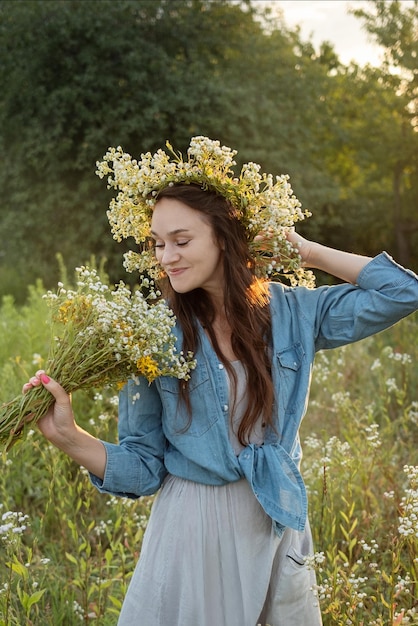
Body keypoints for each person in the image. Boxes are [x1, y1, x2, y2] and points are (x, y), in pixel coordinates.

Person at [23, 137, 418, 626]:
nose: (166, 257)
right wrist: (69, 437)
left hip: (276, 519)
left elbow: (403, 292)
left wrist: (308, 251)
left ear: (225, 238)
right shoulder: (149, 334)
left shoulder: (293, 311)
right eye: (157, 243)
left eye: (181, 241)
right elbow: (144, 467)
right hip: (195, 533)